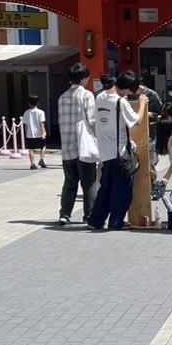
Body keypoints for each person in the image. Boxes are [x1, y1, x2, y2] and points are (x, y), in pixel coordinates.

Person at [88, 71, 146, 231]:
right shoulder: (120, 102)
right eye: (130, 91)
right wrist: (142, 103)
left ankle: (96, 220)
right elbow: (136, 121)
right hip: (119, 152)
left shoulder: (100, 97)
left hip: (105, 151)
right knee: (122, 190)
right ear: (126, 88)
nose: (129, 94)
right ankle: (115, 222)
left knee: (105, 188)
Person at [57, 64, 97, 225]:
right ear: (83, 79)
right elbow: (92, 121)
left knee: (69, 182)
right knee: (89, 183)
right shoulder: (86, 95)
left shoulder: (62, 97)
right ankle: (89, 215)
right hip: (84, 147)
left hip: (67, 146)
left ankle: (65, 214)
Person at [22, 95, 47, 170]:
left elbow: (25, 124)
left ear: (29, 103)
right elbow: (42, 124)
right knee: (43, 146)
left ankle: (32, 164)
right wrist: (43, 133)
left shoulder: (26, 112)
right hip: (39, 133)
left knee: (31, 149)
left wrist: (26, 133)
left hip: (30, 133)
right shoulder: (41, 112)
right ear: (38, 103)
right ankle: (41, 160)